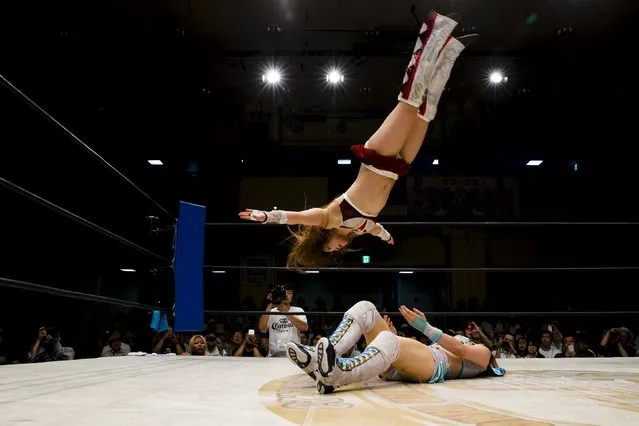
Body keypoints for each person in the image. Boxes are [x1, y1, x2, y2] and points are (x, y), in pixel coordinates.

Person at [239, 12, 474, 268]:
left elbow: (295, 217)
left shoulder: (330, 218)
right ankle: (451, 50)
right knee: (426, 113)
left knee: (409, 101)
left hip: (378, 158)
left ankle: (435, 31)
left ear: (322, 239)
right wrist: (386, 237)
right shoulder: (360, 230)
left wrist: (265, 216)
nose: (337, 249)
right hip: (398, 166)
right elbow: (376, 229)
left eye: (328, 250)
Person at [285, 301, 505, 394]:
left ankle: (336, 374)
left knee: (390, 341)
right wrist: (394, 336)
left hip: (436, 365)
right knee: (366, 309)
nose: (471, 331)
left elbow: (460, 350)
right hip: (418, 359)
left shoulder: (484, 353)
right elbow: (414, 354)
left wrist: (426, 328)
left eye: (476, 332)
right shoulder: (453, 343)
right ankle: (321, 358)